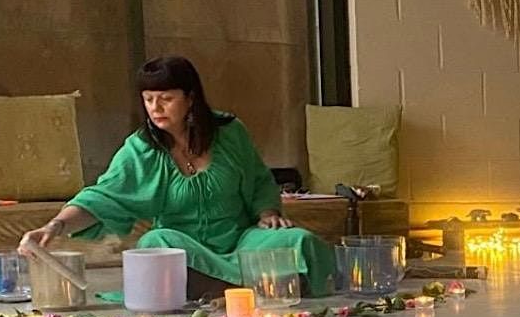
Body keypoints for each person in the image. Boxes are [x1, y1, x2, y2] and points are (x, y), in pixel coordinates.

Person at [20, 55, 335, 300]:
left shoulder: (230, 132)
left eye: (166, 99)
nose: (155, 108)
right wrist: (54, 226)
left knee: (298, 240)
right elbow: (102, 198)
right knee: (156, 243)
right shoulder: (141, 149)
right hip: (185, 249)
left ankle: (229, 290)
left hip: (242, 242)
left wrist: (267, 212)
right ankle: (253, 289)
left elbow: (258, 179)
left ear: (190, 98)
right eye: (148, 99)